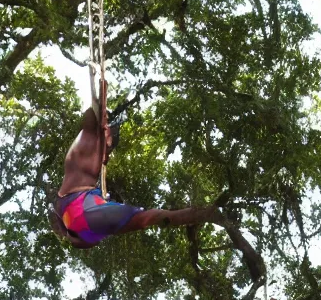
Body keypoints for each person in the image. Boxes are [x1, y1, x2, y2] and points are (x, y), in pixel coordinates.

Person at [50, 104, 222, 248]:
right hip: (78, 214)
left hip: (80, 223)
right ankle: (207, 213)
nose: (109, 146)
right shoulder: (83, 155)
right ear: (104, 133)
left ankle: (205, 213)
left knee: (149, 219)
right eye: (109, 138)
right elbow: (90, 120)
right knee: (150, 218)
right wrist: (100, 110)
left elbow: (90, 123)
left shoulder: (84, 161)